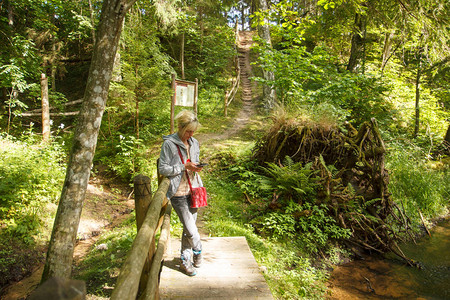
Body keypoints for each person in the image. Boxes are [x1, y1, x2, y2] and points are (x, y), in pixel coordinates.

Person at [158, 110, 204, 276]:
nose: (191, 134)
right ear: (180, 127)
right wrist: (184, 166)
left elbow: (194, 162)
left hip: (194, 189)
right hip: (178, 193)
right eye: (188, 131)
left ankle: (186, 260)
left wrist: (197, 166)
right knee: (191, 230)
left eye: (193, 131)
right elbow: (163, 168)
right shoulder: (169, 144)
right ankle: (198, 250)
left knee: (187, 229)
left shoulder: (195, 142)